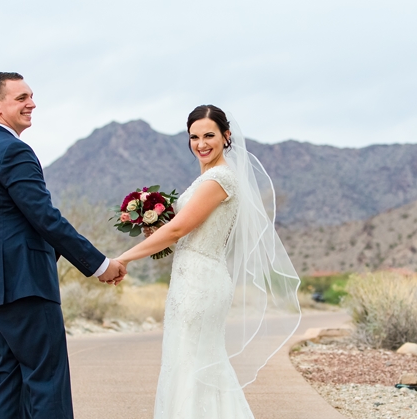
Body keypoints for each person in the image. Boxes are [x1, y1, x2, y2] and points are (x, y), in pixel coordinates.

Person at [115, 105, 301, 419]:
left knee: (193, 363)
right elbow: (185, 231)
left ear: (226, 136)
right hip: (192, 276)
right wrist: (154, 227)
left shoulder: (219, 179)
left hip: (201, 281)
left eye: (209, 135)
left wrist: (123, 258)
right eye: (194, 137)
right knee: (190, 361)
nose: (201, 143)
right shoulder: (207, 179)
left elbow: (179, 229)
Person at [0, 72, 126, 419]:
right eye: (21, 98)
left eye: (31, 96)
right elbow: (45, 218)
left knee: (11, 380)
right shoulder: (13, 151)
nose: (31, 103)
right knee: (47, 380)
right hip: (24, 288)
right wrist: (99, 264)